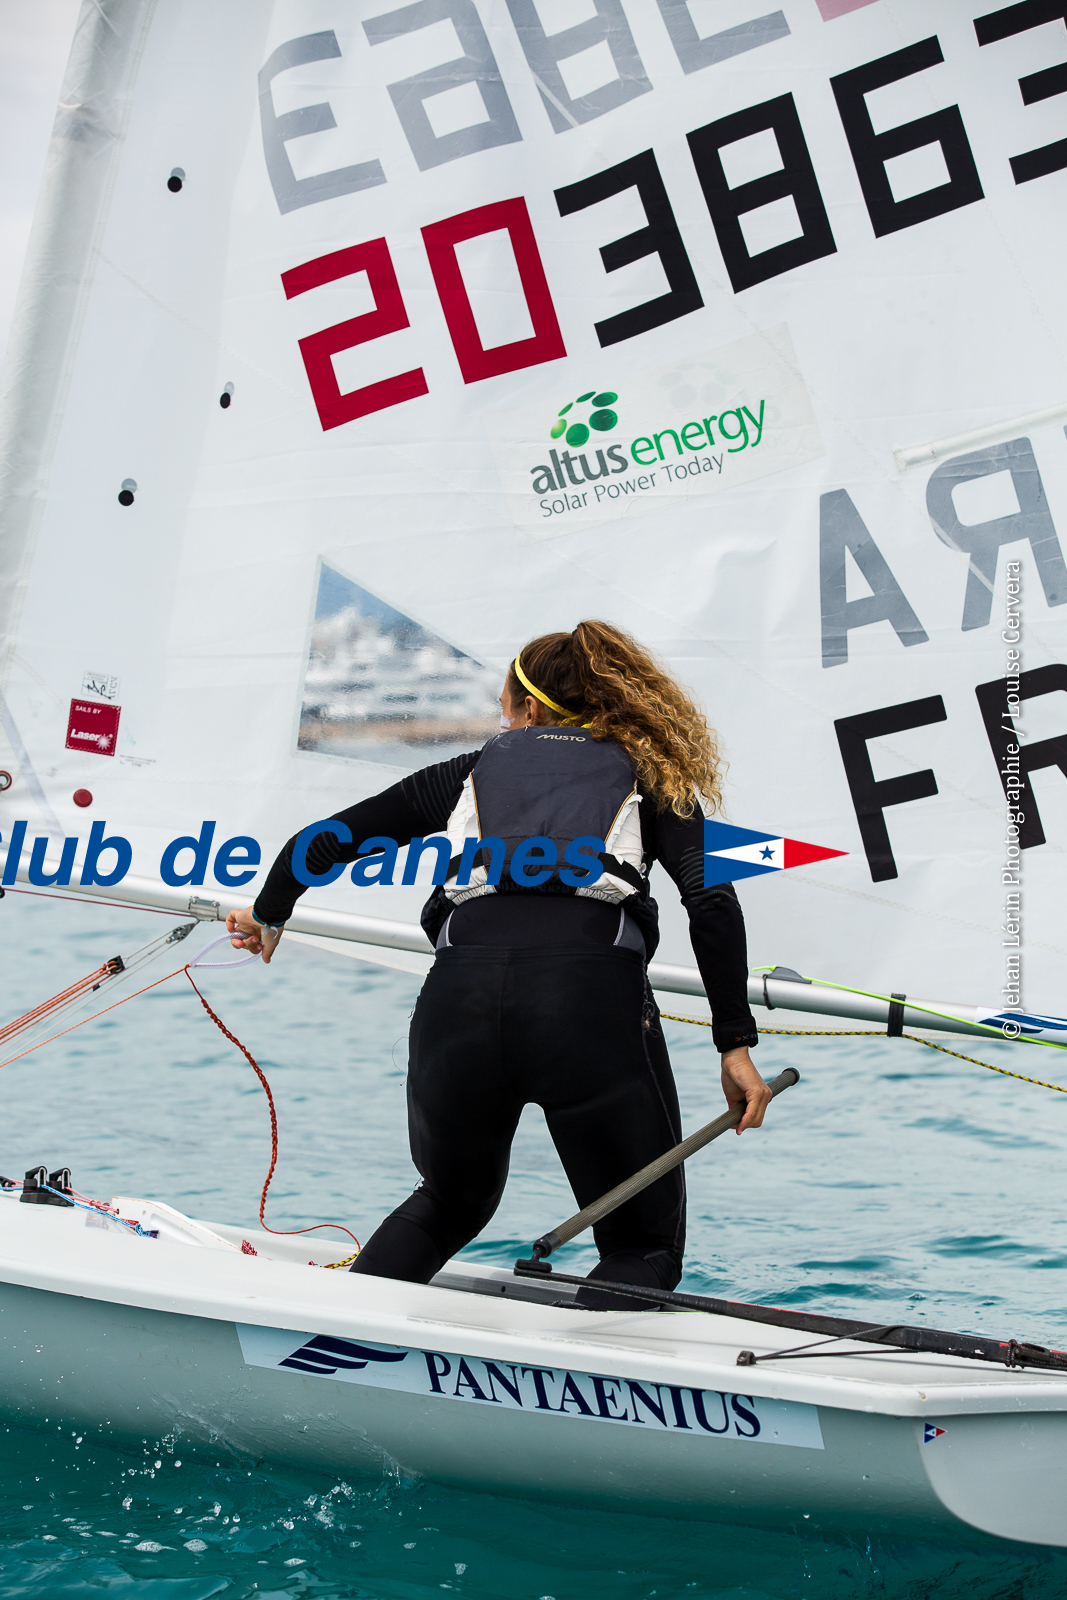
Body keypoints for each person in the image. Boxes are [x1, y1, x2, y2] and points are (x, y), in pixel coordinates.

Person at [227, 621, 769, 1308]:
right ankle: (585, 1368)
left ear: (532, 709)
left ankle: (336, 1334)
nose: (503, 721)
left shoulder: (469, 772)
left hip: (459, 1003)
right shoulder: (651, 777)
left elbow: (323, 840)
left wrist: (269, 912)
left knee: (448, 1202)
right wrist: (734, 1044)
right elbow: (711, 903)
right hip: (587, 1009)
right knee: (641, 1245)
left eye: (505, 706)